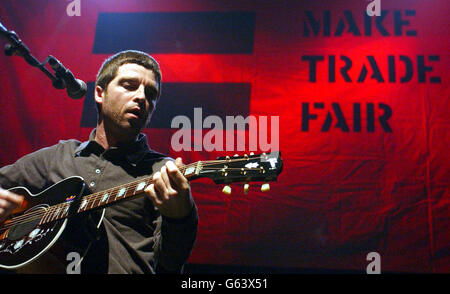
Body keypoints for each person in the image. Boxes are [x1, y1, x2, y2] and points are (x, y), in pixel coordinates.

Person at [0, 50, 198, 274]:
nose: (142, 97)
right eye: (129, 85)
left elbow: (171, 264)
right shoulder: (59, 156)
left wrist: (180, 217)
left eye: (151, 93)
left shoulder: (164, 172)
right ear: (99, 93)